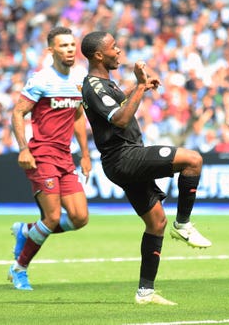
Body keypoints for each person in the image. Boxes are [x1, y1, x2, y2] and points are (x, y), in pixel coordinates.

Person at [80, 31, 211, 306]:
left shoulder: (104, 83)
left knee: (156, 224)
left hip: (122, 159)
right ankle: (184, 224)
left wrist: (138, 87)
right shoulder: (93, 85)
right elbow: (120, 118)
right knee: (193, 160)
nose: (118, 50)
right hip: (124, 157)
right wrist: (139, 86)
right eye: (113, 47)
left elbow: (116, 105)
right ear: (98, 55)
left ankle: (145, 293)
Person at [9, 26, 92, 291]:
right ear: (51, 50)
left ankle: (26, 231)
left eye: (71, 45)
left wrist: (86, 154)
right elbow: (17, 113)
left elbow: (77, 116)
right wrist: (23, 148)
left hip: (65, 158)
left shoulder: (79, 79)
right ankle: (19, 269)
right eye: (63, 45)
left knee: (80, 218)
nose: (69, 49)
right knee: (53, 217)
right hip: (41, 155)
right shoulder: (41, 79)